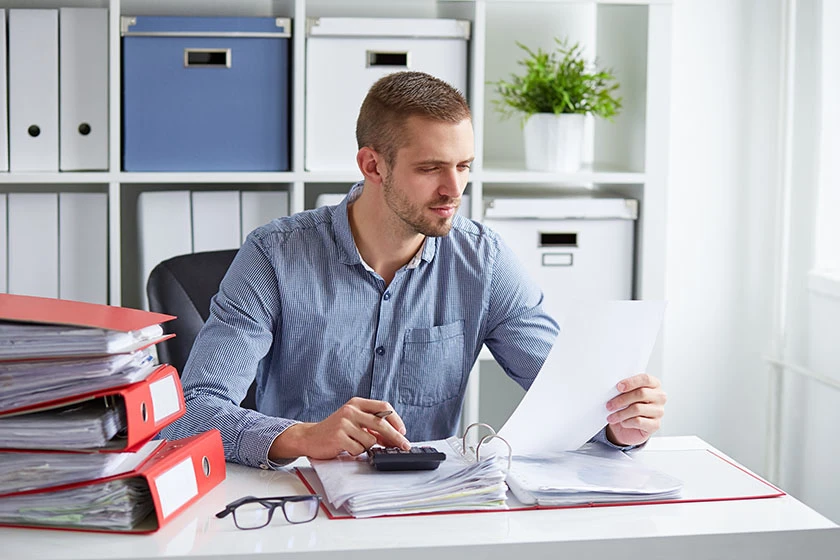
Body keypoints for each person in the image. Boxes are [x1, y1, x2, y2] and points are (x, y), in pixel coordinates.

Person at [160, 71, 666, 469]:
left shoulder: (483, 262)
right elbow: (193, 412)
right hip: (298, 508)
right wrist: (302, 437)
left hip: (425, 507)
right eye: (430, 169)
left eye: (464, 166)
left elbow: (569, 390)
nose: (454, 189)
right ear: (372, 165)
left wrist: (620, 424)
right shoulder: (273, 256)